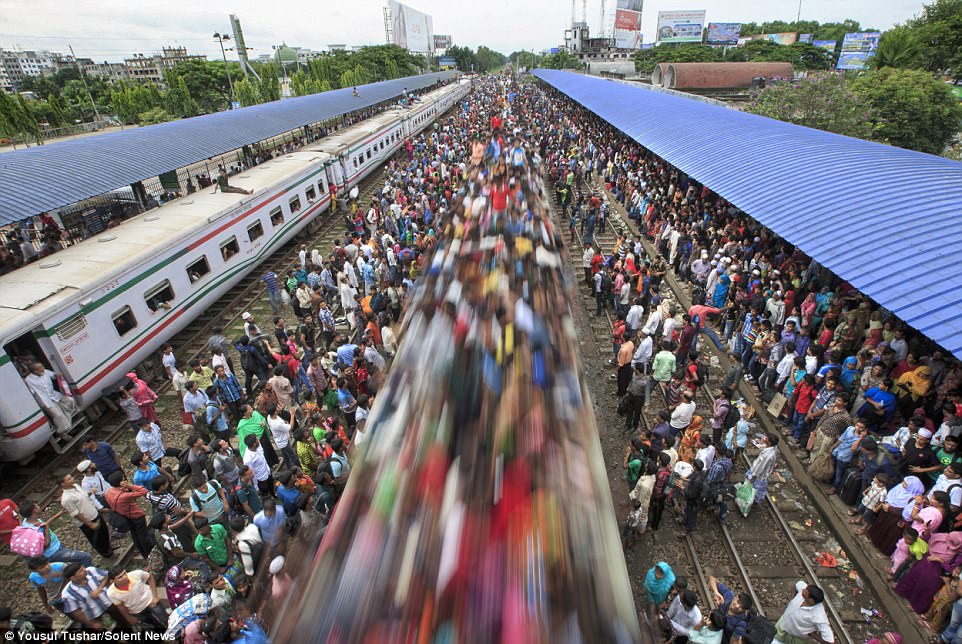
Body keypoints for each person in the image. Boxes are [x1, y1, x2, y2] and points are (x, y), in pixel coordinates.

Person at [19, 501, 92, 566]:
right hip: (53, 552)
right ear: (34, 510)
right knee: (85, 557)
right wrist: (46, 528)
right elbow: (46, 545)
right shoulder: (33, 530)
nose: (39, 506)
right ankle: (87, 576)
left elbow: (43, 525)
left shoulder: (28, 520)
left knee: (71, 563)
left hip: (56, 547)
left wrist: (57, 515)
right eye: (37, 506)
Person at [58, 472, 112, 559]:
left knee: (104, 532)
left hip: (94, 513)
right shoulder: (66, 499)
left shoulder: (76, 486)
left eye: (71, 477)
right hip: (87, 520)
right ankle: (107, 554)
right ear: (62, 484)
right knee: (97, 538)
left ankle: (109, 548)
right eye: (69, 479)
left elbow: (85, 497)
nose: (72, 479)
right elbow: (75, 513)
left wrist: (97, 506)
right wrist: (90, 524)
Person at [60, 563, 125, 632]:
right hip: (95, 616)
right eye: (80, 571)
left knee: (124, 624)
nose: (85, 570)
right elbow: (76, 612)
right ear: (73, 578)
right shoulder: (68, 594)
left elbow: (106, 576)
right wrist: (90, 624)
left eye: (83, 568)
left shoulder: (91, 571)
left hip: (110, 604)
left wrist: (99, 589)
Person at [105, 566, 168, 631]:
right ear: (112, 581)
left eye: (124, 573)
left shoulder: (136, 574)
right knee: (153, 626)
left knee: (165, 620)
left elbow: (150, 577)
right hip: (137, 611)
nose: (125, 577)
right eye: (120, 577)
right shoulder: (111, 593)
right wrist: (129, 618)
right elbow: (121, 606)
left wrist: (154, 596)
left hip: (150, 601)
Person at [103, 480, 153, 560]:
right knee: (143, 536)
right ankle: (149, 552)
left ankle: (144, 554)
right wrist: (130, 486)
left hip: (126, 516)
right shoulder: (124, 495)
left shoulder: (108, 492)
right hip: (136, 516)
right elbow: (145, 491)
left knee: (135, 535)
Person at [24, 362, 76, 434]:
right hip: (45, 401)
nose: (43, 368)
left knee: (70, 400)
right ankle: (61, 432)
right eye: (41, 367)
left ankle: (67, 424)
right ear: (35, 371)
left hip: (55, 395)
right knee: (58, 415)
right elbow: (31, 393)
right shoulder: (28, 380)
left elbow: (54, 375)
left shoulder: (45, 372)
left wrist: (58, 376)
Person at [746, 432, 780, 503]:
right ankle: (755, 499)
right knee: (758, 488)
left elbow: (760, 468)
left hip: (759, 476)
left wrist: (753, 477)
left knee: (755, 489)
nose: (764, 438)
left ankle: (754, 500)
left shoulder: (766, 456)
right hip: (763, 474)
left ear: (769, 443)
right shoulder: (774, 448)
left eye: (766, 438)